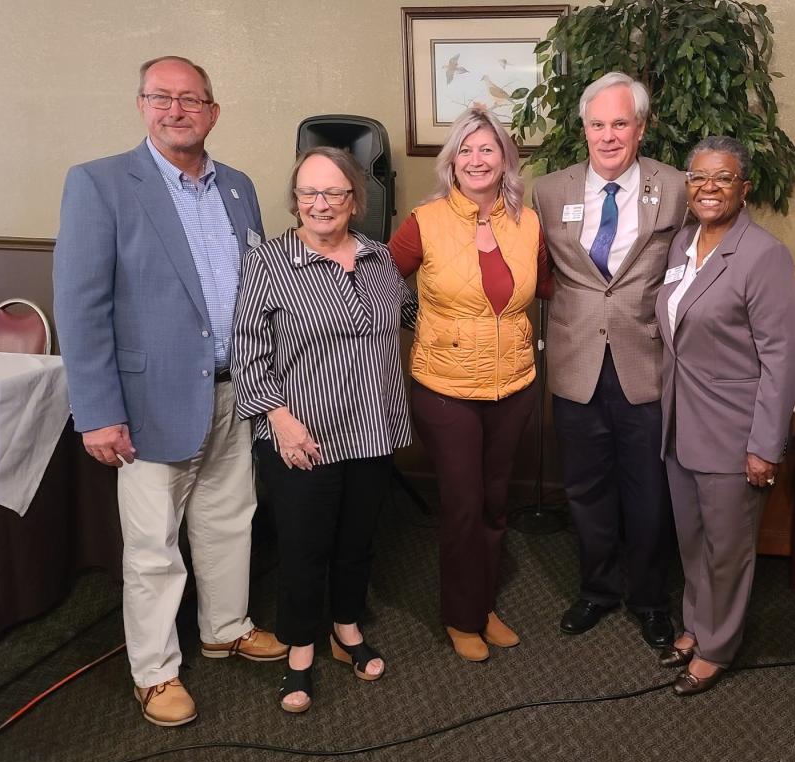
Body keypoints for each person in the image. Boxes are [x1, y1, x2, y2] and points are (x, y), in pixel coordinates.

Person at [52, 56, 286, 728]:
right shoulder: (99, 184)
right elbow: (80, 305)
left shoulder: (238, 187)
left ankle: (225, 627)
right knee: (154, 545)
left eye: (192, 99)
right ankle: (154, 673)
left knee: (228, 519)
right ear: (141, 104)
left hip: (231, 391)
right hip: (148, 401)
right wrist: (97, 413)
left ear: (213, 111)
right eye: (163, 97)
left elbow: (255, 294)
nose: (177, 110)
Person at [232, 147, 413, 713]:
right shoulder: (267, 263)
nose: (321, 204)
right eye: (309, 193)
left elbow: (412, 316)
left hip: (372, 431)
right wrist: (277, 418)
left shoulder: (381, 259)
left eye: (334, 192)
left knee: (357, 544)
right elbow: (246, 353)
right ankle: (301, 649)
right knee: (305, 550)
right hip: (302, 435)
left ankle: (347, 628)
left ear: (355, 200)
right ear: (295, 200)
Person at [388, 108, 553, 662]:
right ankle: (460, 617)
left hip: (514, 386)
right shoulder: (425, 221)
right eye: (466, 150)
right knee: (463, 503)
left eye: (488, 149)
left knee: (495, 501)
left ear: (506, 158)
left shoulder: (527, 223)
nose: (477, 159)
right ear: (451, 161)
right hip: (446, 388)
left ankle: (483, 605)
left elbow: (551, 286)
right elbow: (375, 284)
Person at [532, 72, 685, 648]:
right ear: (584, 129)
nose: (608, 135)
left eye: (620, 123)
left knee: (648, 490)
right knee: (586, 488)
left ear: (640, 128)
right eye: (598, 124)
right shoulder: (549, 191)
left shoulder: (675, 187)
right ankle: (597, 590)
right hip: (576, 364)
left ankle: (649, 598)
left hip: (645, 361)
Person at [655, 136, 795, 695]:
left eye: (723, 178)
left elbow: (781, 358)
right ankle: (697, 626)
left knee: (728, 547)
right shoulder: (682, 244)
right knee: (692, 541)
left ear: (745, 188)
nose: (708, 188)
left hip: (734, 431)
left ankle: (718, 646)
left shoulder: (763, 254)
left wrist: (765, 445)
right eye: (698, 177)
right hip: (678, 424)